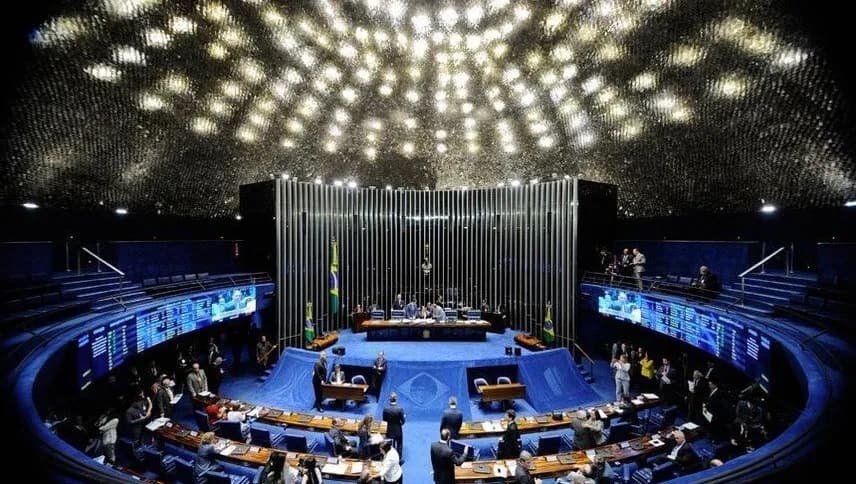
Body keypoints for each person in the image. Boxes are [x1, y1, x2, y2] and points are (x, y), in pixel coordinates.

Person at [382, 393, 406, 458]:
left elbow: (384, 421)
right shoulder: (400, 409)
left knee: (388, 444)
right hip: (398, 431)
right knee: (399, 444)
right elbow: (403, 421)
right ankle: (399, 458)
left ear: (389, 399)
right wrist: (402, 421)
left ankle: (388, 457)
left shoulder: (385, 409)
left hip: (389, 431)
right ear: (396, 399)